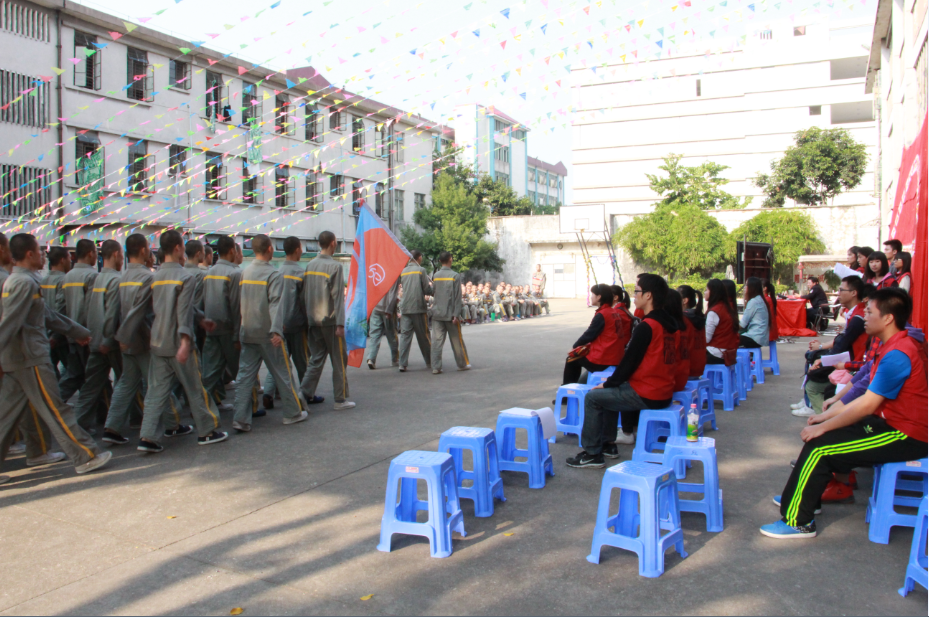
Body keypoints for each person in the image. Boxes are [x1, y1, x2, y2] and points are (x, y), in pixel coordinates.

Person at [761, 288, 927, 539]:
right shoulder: (892, 345)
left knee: (820, 447)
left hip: (907, 434)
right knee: (820, 439)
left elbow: (867, 404)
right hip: (890, 423)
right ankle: (807, 500)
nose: (865, 317)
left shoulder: (899, 353)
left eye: (870, 312)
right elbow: (862, 394)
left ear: (888, 318)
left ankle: (799, 522)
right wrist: (826, 418)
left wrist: (824, 426)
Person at [0, 233, 112, 482]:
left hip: (20, 358)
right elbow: (9, 324)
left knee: (6, 416)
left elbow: (47, 315)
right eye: (40, 252)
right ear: (29, 254)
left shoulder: (24, 280)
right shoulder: (21, 283)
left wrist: (78, 331)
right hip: (29, 358)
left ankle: (56, 453)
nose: (43, 256)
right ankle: (85, 456)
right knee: (56, 409)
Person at [118, 230, 228, 453]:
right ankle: (207, 431)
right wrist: (186, 340)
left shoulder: (153, 276)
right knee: (195, 388)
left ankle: (147, 437)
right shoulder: (185, 277)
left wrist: (124, 335)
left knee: (156, 392)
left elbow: (139, 309)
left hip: (157, 342)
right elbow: (182, 311)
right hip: (179, 343)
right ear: (178, 248)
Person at [566, 274, 680, 467]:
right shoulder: (669, 324)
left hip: (648, 391)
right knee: (608, 394)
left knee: (594, 397)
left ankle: (592, 453)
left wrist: (608, 383)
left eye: (637, 291)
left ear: (649, 295)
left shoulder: (648, 326)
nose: (634, 295)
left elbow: (629, 363)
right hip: (664, 389)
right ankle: (608, 444)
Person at [103, 234, 183, 446]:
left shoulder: (122, 277)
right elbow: (143, 313)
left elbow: (113, 311)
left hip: (126, 341)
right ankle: (172, 423)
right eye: (147, 246)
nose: (150, 250)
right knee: (157, 385)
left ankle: (112, 426)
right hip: (145, 338)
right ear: (141, 250)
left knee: (126, 383)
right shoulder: (148, 278)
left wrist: (115, 335)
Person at [231, 234, 307, 433]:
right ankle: (292, 413)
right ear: (269, 249)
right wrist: (275, 330)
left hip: (247, 332)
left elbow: (239, 304)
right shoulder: (273, 275)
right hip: (268, 334)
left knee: (245, 377)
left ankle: (240, 419)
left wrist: (238, 331)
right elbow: (275, 304)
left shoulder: (244, 273)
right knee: (283, 373)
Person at [791, 276, 871, 418]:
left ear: (854, 293)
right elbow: (843, 340)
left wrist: (824, 358)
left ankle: (819, 414)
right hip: (851, 363)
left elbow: (843, 344)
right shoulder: (855, 314)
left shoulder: (859, 318)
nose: (838, 293)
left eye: (841, 290)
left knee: (814, 382)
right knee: (813, 357)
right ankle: (811, 404)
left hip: (853, 366)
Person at [73, 240, 124, 430]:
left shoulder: (96, 279)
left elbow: (88, 310)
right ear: (117, 255)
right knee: (128, 381)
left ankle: (78, 425)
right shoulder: (115, 280)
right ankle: (132, 421)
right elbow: (112, 313)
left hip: (94, 340)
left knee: (90, 386)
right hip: (109, 343)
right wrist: (109, 339)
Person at [301, 230, 354, 409]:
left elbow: (304, 294)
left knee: (316, 358)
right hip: (331, 321)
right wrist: (340, 323)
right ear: (333, 243)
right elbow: (338, 297)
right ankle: (340, 398)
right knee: (339, 360)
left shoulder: (310, 265)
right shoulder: (335, 267)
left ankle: (303, 393)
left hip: (313, 320)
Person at [263, 236, 311, 407]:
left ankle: (268, 392)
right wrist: (307, 322)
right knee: (302, 361)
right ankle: (306, 394)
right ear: (298, 250)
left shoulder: (277, 271)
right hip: (297, 324)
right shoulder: (300, 273)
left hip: (279, 324)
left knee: (278, 361)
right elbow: (304, 301)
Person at [201, 236, 242, 412]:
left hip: (212, 328)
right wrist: (237, 334)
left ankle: (201, 408)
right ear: (232, 251)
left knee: (209, 373)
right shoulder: (235, 273)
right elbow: (236, 306)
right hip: (229, 329)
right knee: (243, 371)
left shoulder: (209, 272)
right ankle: (249, 407)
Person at [58, 239, 99, 405]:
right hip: (86, 336)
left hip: (72, 334)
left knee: (75, 374)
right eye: (96, 253)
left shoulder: (67, 277)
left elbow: (60, 307)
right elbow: (91, 309)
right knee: (92, 378)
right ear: (90, 253)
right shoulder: (92, 276)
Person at [562, 284, 620, 386]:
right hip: (615, 356)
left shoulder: (602, 314)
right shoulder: (613, 312)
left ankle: (568, 392)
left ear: (599, 297)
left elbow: (589, 335)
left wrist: (574, 347)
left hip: (604, 359)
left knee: (571, 360)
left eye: (592, 294)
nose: (590, 297)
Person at [430, 251, 470, 374]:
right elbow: (457, 297)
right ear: (450, 259)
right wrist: (456, 314)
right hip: (450, 314)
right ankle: (461, 364)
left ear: (440, 261)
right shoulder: (455, 276)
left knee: (437, 342)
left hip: (437, 313)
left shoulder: (436, 275)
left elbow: (434, 292)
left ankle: (436, 367)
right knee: (456, 341)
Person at [397, 250, 433, 371]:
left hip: (405, 307)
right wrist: (435, 288)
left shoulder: (403, 271)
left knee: (405, 336)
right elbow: (426, 290)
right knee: (424, 336)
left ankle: (402, 363)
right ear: (419, 257)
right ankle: (430, 361)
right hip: (418, 307)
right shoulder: (421, 270)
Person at [40, 246, 71, 379]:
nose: (71, 261)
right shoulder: (64, 280)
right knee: (75, 373)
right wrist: (56, 336)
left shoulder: (42, 280)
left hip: (46, 334)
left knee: (51, 375)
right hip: (60, 336)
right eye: (70, 258)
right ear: (62, 260)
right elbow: (61, 309)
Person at [366, 275, 400, 369]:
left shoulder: (376, 271)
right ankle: (395, 359)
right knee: (392, 335)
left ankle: (371, 358)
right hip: (386, 308)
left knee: (374, 334)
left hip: (375, 307)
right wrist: (389, 310)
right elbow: (392, 294)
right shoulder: (393, 274)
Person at [704, 279, 739, 366]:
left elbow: (706, 339)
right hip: (728, 351)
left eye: (706, 290)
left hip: (717, 353)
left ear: (713, 292)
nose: (704, 292)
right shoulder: (726, 307)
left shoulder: (714, 311)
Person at [678, 285, 707, 380]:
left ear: (684, 300)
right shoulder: (698, 316)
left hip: (687, 370)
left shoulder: (684, 319)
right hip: (699, 368)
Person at [739, 277, 770, 349]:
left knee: (728, 340)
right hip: (760, 337)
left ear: (751, 288)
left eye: (746, 285)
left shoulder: (753, 302)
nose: (744, 288)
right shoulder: (759, 299)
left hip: (754, 337)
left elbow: (742, 325)